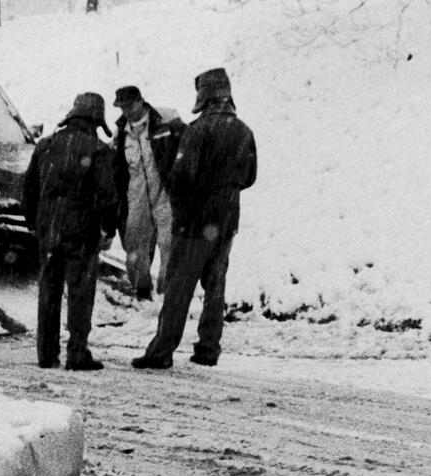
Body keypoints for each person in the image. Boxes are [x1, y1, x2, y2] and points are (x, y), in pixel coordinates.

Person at [133, 68, 257, 369]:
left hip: (195, 223)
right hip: (226, 222)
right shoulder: (244, 131)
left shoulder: (198, 130)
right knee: (215, 287)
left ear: (204, 96)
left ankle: (162, 351)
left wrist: (185, 206)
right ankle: (209, 348)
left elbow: (181, 177)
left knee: (179, 287)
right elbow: (250, 177)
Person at [21, 92, 120, 371]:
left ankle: (46, 353)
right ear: (96, 120)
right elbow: (107, 196)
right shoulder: (99, 150)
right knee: (80, 292)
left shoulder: (46, 145)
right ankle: (77, 354)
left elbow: (28, 188)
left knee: (49, 290)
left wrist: (34, 222)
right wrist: (107, 229)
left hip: (49, 230)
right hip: (81, 232)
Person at [110, 85, 184, 302]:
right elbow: (116, 164)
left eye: (130, 105)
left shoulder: (167, 119)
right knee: (134, 243)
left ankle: (168, 292)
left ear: (141, 101)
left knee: (169, 241)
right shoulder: (121, 130)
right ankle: (142, 291)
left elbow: (188, 146)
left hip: (165, 191)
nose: (126, 111)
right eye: (122, 107)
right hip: (136, 193)